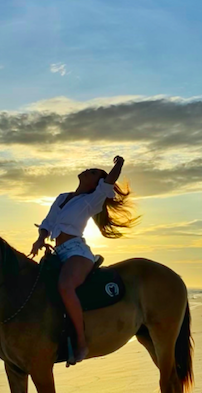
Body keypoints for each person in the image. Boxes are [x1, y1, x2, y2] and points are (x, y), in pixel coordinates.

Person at [30, 156, 136, 364]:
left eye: (94, 172)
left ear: (96, 183)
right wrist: (40, 239)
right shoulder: (62, 197)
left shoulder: (93, 199)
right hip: (57, 252)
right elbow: (48, 222)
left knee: (66, 286)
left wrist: (119, 165)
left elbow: (108, 182)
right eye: (90, 169)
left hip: (77, 252)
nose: (89, 170)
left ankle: (81, 342)